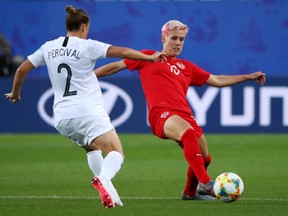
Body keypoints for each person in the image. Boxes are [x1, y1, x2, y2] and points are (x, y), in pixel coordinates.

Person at [4, 5, 165, 208]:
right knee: (116, 152)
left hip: (62, 117)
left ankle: (109, 190)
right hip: (87, 112)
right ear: (84, 26)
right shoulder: (87, 46)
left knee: (91, 148)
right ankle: (103, 180)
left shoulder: (48, 47)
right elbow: (122, 51)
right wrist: (149, 57)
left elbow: (20, 70)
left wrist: (16, 93)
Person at [94, 20, 266, 200]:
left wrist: (248, 76)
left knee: (205, 158)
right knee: (188, 134)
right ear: (163, 37)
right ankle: (206, 183)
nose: (178, 43)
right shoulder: (147, 57)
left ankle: (190, 192)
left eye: (182, 39)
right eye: (174, 38)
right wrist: (91, 76)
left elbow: (216, 80)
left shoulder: (187, 67)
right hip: (161, 114)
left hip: (185, 114)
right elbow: (116, 66)